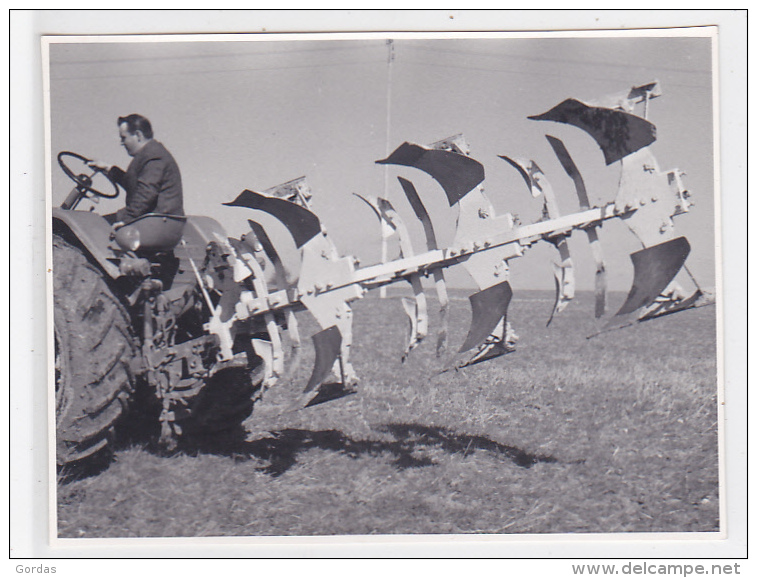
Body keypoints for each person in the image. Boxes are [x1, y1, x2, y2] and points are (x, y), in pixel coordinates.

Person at [88, 114, 184, 226]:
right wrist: (108, 168)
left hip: (156, 223)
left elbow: (146, 193)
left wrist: (126, 220)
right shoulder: (150, 154)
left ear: (138, 135)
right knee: (96, 225)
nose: (122, 143)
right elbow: (135, 185)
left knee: (93, 227)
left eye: (124, 138)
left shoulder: (154, 157)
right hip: (153, 220)